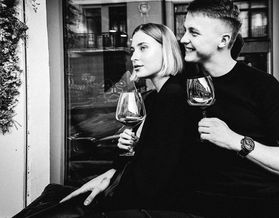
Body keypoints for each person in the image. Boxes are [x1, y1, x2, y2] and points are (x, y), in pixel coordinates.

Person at [13, 23, 199, 218]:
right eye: (133, 50)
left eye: (144, 48)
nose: (134, 57)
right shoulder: (153, 98)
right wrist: (124, 150)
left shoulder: (173, 96)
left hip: (154, 203)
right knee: (52, 194)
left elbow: (155, 174)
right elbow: (136, 157)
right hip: (132, 187)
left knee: (53, 204)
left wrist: (111, 181)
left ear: (167, 50)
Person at [177, 0, 279, 218]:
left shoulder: (261, 85)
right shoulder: (185, 85)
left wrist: (236, 141)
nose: (183, 39)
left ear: (223, 40)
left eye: (194, 32)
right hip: (202, 207)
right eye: (184, 30)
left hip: (263, 206)